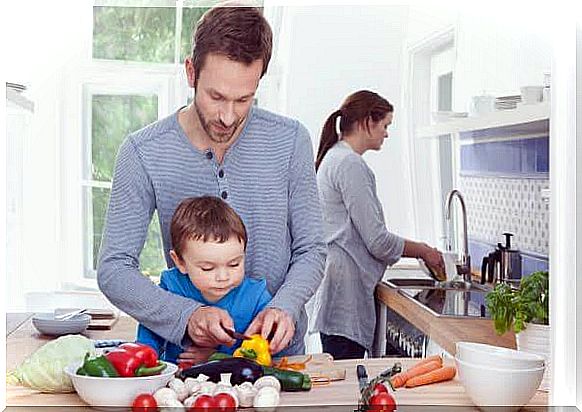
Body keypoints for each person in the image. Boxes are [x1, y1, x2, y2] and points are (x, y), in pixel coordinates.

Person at [97, 5, 325, 363]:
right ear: (191, 72)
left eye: (244, 99)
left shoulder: (291, 140)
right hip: (189, 363)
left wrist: (284, 306)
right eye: (216, 96)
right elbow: (114, 269)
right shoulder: (143, 152)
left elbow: (312, 249)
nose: (228, 116)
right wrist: (186, 316)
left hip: (277, 361)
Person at [312, 90, 444, 360]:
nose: (386, 133)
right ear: (367, 122)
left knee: (343, 377)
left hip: (337, 284)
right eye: (385, 125)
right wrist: (424, 251)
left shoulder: (336, 157)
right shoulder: (349, 164)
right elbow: (378, 240)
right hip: (344, 289)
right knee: (347, 384)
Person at [136, 196, 271, 365]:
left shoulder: (256, 296)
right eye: (208, 268)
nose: (223, 277)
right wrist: (144, 361)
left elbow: (262, 354)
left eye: (234, 264)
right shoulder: (171, 286)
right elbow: (149, 333)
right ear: (180, 262)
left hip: (237, 386)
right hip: (176, 383)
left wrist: (215, 359)